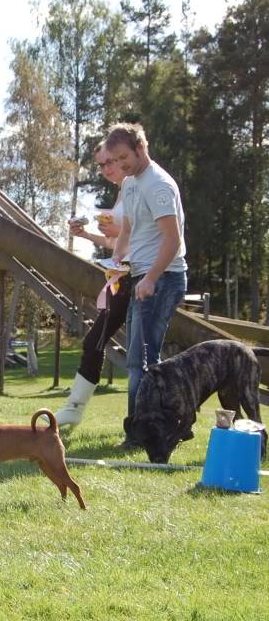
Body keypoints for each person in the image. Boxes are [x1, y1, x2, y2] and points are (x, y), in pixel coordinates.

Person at [107, 123, 187, 447]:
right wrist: (115, 263)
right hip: (140, 277)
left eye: (124, 157)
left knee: (143, 361)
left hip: (163, 278)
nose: (120, 165)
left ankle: (140, 435)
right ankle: (164, 426)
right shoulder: (129, 184)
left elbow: (173, 239)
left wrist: (152, 277)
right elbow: (127, 231)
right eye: (115, 159)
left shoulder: (158, 185)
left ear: (141, 147)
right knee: (136, 360)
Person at [53, 143, 130, 427]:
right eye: (101, 164)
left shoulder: (135, 186)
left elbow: (149, 235)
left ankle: (75, 408)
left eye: (111, 161)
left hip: (136, 275)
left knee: (97, 341)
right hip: (120, 275)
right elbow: (115, 242)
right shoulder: (123, 191)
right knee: (94, 341)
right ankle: (74, 407)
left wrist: (118, 232)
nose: (106, 169)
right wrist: (85, 235)